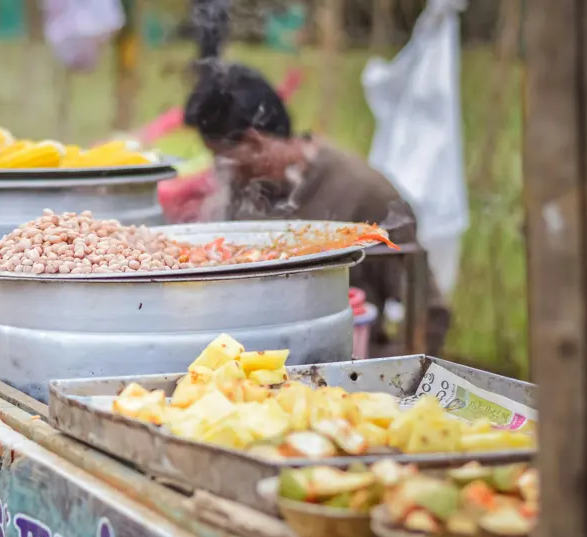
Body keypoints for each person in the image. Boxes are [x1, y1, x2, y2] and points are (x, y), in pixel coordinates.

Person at [183, 59, 451, 355]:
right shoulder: (242, 191)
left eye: (223, 157)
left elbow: (428, 314)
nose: (220, 169)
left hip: (344, 365)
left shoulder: (365, 194)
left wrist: (386, 372)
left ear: (254, 143)